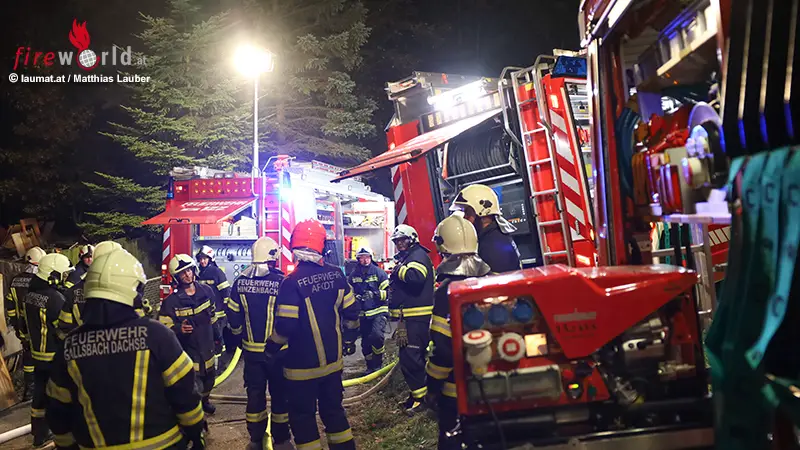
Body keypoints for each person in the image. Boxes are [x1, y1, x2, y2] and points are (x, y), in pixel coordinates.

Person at [46, 249, 206, 449]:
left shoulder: (68, 347)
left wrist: (67, 446)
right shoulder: (157, 336)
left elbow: (58, 411)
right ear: (132, 289)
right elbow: (184, 392)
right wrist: (195, 432)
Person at [264, 219, 360, 450]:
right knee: (334, 412)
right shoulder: (337, 275)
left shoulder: (291, 282)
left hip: (301, 369)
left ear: (294, 245)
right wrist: (349, 340)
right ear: (322, 245)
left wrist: (271, 348)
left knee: (303, 417)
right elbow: (352, 312)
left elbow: (286, 326)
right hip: (333, 364)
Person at [426, 214, 491, 450]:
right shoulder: (492, 281)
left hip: (457, 392)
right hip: (495, 386)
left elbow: (443, 350)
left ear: (442, 247)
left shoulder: (446, 293)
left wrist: (432, 387)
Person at [228, 237, 294, 450]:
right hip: (278, 352)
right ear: (272, 257)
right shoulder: (281, 281)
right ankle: (281, 439)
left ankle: (256, 439)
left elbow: (233, 315)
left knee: (255, 397)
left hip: (252, 354)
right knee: (280, 395)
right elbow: (289, 317)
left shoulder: (240, 282)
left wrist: (239, 337)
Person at [22, 252, 72, 447]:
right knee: (57, 395)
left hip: (37, 355)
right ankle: (57, 431)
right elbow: (63, 329)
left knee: (40, 394)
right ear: (53, 274)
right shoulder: (54, 298)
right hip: (53, 355)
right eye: (63, 274)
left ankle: (39, 433)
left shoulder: (31, 294)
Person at [160, 254, 218, 415]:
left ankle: (205, 401)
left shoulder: (207, 292)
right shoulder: (171, 302)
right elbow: (164, 327)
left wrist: (218, 338)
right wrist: (179, 329)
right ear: (176, 277)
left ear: (194, 270)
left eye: (189, 270)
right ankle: (196, 412)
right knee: (194, 385)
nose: (187, 275)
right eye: (182, 273)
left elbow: (213, 317)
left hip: (207, 346)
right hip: (188, 350)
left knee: (209, 381)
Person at [388, 224, 435, 415]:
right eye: (397, 241)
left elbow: (416, 277)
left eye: (403, 240)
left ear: (412, 239)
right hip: (409, 318)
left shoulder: (418, 255)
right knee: (410, 359)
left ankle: (422, 400)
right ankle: (416, 396)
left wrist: (398, 270)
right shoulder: (410, 256)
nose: (399, 244)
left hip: (415, 318)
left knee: (412, 359)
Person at [56, 241, 123, 338]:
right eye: (87, 257)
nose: (89, 260)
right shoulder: (76, 275)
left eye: (91, 257)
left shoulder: (76, 288)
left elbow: (64, 327)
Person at [450, 184, 522, 273]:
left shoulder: (491, 246)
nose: (465, 218)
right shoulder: (495, 235)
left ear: (481, 212)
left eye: (468, 213)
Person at [5, 246, 46, 401]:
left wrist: (15, 324)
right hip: (37, 325)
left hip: (22, 326)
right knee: (41, 356)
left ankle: (29, 390)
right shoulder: (38, 281)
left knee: (28, 357)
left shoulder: (15, 280)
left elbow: (10, 304)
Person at [347, 246, 389, 375]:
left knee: (376, 336)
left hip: (378, 311)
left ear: (371, 258)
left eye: (367, 257)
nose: (364, 260)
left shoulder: (379, 273)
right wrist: (355, 297)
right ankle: (370, 366)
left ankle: (378, 362)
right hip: (363, 314)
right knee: (365, 342)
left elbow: (389, 293)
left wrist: (375, 294)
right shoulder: (354, 275)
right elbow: (349, 292)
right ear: (358, 259)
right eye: (362, 258)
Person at [195, 245, 235, 371]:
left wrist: (226, 310)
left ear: (211, 258)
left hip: (218, 315)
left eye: (205, 259)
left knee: (217, 341)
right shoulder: (200, 273)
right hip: (206, 314)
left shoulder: (217, 273)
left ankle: (220, 366)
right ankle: (211, 366)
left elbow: (225, 292)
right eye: (201, 259)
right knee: (208, 340)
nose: (202, 261)